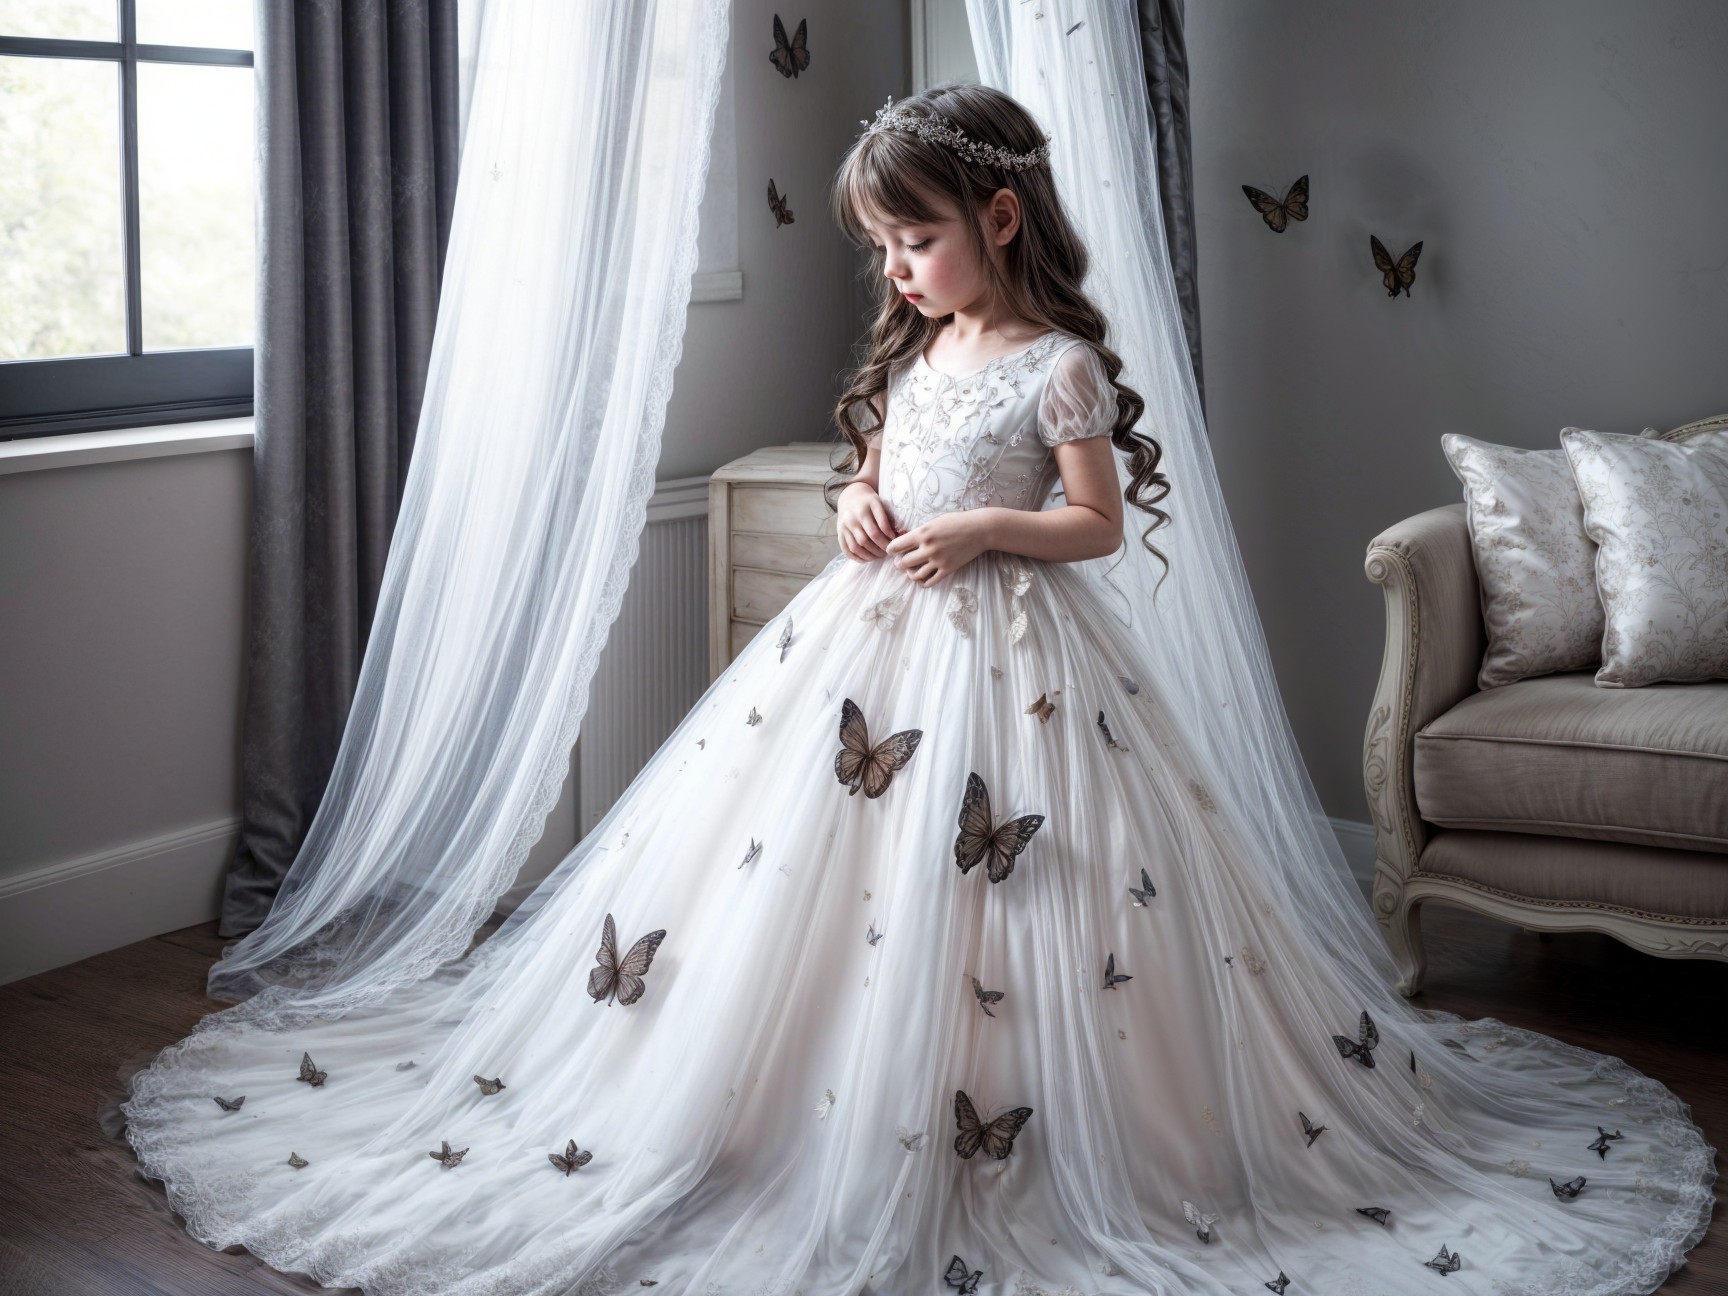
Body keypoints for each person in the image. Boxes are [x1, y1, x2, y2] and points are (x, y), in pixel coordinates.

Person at [120, 84, 1713, 1296]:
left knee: (1027, 911)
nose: (897, 262)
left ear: (1000, 221)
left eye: (918, 235)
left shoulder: (1055, 363)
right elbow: (866, 488)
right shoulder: (917, 350)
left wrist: (977, 525)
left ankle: (1038, 1132)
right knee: (786, 891)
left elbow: (1089, 524)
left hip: (1019, 669)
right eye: (883, 243)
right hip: (868, 648)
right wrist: (862, 513)